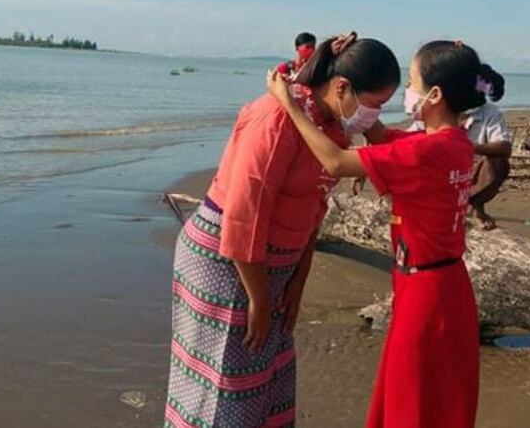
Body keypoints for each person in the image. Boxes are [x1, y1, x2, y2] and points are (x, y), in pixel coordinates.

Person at [164, 33, 400, 428]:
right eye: (375, 104)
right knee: (226, 383)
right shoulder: (274, 117)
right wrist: (258, 297)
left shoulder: (329, 125)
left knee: (268, 379)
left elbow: (313, 206)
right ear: (342, 87)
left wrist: (298, 279)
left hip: (275, 266)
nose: (375, 116)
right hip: (228, 262)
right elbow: (244, 214)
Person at [268, 39, 483, 428]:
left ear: (434, 95)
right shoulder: (452, 143)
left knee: (412, 398)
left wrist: (289, 103)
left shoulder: (426, 152)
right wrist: (357, 100)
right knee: (432, 396)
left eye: (413, 83)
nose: (407, 92)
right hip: (442, 285)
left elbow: (335, 162)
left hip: (426, 293)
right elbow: (383, 138)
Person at [465, 64, 512, 230]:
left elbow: (505, 147)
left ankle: (474, 206)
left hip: (472, 174)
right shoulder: (443, 106)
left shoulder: (490, 112)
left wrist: (469, 147)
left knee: (498, 162)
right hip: (440, 173)